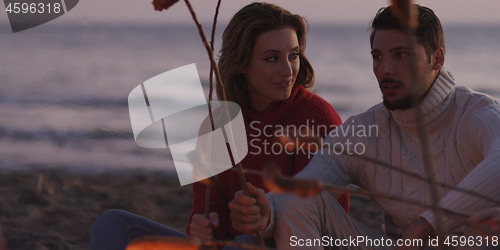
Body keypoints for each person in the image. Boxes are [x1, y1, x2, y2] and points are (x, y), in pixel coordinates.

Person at [229, 4, 500, 250]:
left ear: (437, 59)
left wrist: (427, 224)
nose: (385, 69)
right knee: (291, 203)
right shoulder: (365, 129)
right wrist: (268, 213)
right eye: (378, 56)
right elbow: (305, 187)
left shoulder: (475, 114)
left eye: (400, 54)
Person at [90, 3, 349, 249]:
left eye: (293, 55)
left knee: (248, 242)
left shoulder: (317, 119)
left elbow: (324, 229)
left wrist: (262, 222)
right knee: (112, 224)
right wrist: (202, 229)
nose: (288, 70)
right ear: (242, 65)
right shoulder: (215, 126)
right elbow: (207, 220)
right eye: (272, 59)